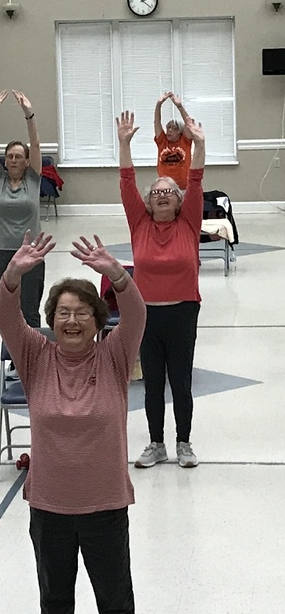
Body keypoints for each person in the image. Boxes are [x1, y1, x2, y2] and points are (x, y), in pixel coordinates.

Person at [0, 230, 147, 614]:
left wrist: (117, 275)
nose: (73, 320)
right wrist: (14, 275)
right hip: (50, 504)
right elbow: (5, 316)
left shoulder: (114, 355)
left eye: (82, 312)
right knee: (54, 596)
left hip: (104, 502)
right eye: (63, 312)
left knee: (114, 596)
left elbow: (138, 314)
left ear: (97, 320)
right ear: (51, 320)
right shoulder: (35, 355)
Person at [118, 108, 205, 469]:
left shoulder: (189, 222)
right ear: (148, 202)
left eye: (170, 191)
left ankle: (183, 442)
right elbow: (126, 183)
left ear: (179, 199)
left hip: (183, 310)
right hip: (147, 313)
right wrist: (124, 145)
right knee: (153, 383)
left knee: (181, 383)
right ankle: (156, 443)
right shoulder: (139, 223)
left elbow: (196, 179)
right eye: (157, 192)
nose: (164, 195)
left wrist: (199, 145)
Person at [0, 89, 43, 327]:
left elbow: (36, 144)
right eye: (9, 156)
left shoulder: (33, 179)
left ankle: (34, 361)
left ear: (27, 161)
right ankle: (13, 359)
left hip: (30, 253)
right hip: (0, 253)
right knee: (6, 311)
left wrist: (28, 115)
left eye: (19, 156)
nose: (13, 160)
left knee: (30, 312)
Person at [153, 90, 193, 189]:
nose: (169, 130)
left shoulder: (185, 141)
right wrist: (158, 105)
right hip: (165, 188)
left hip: (183, 188)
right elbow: (157, 122)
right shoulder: (162, 141)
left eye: (173, 128)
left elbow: (189, 124)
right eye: (168, 128)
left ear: (179, 131)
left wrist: (179, 106)